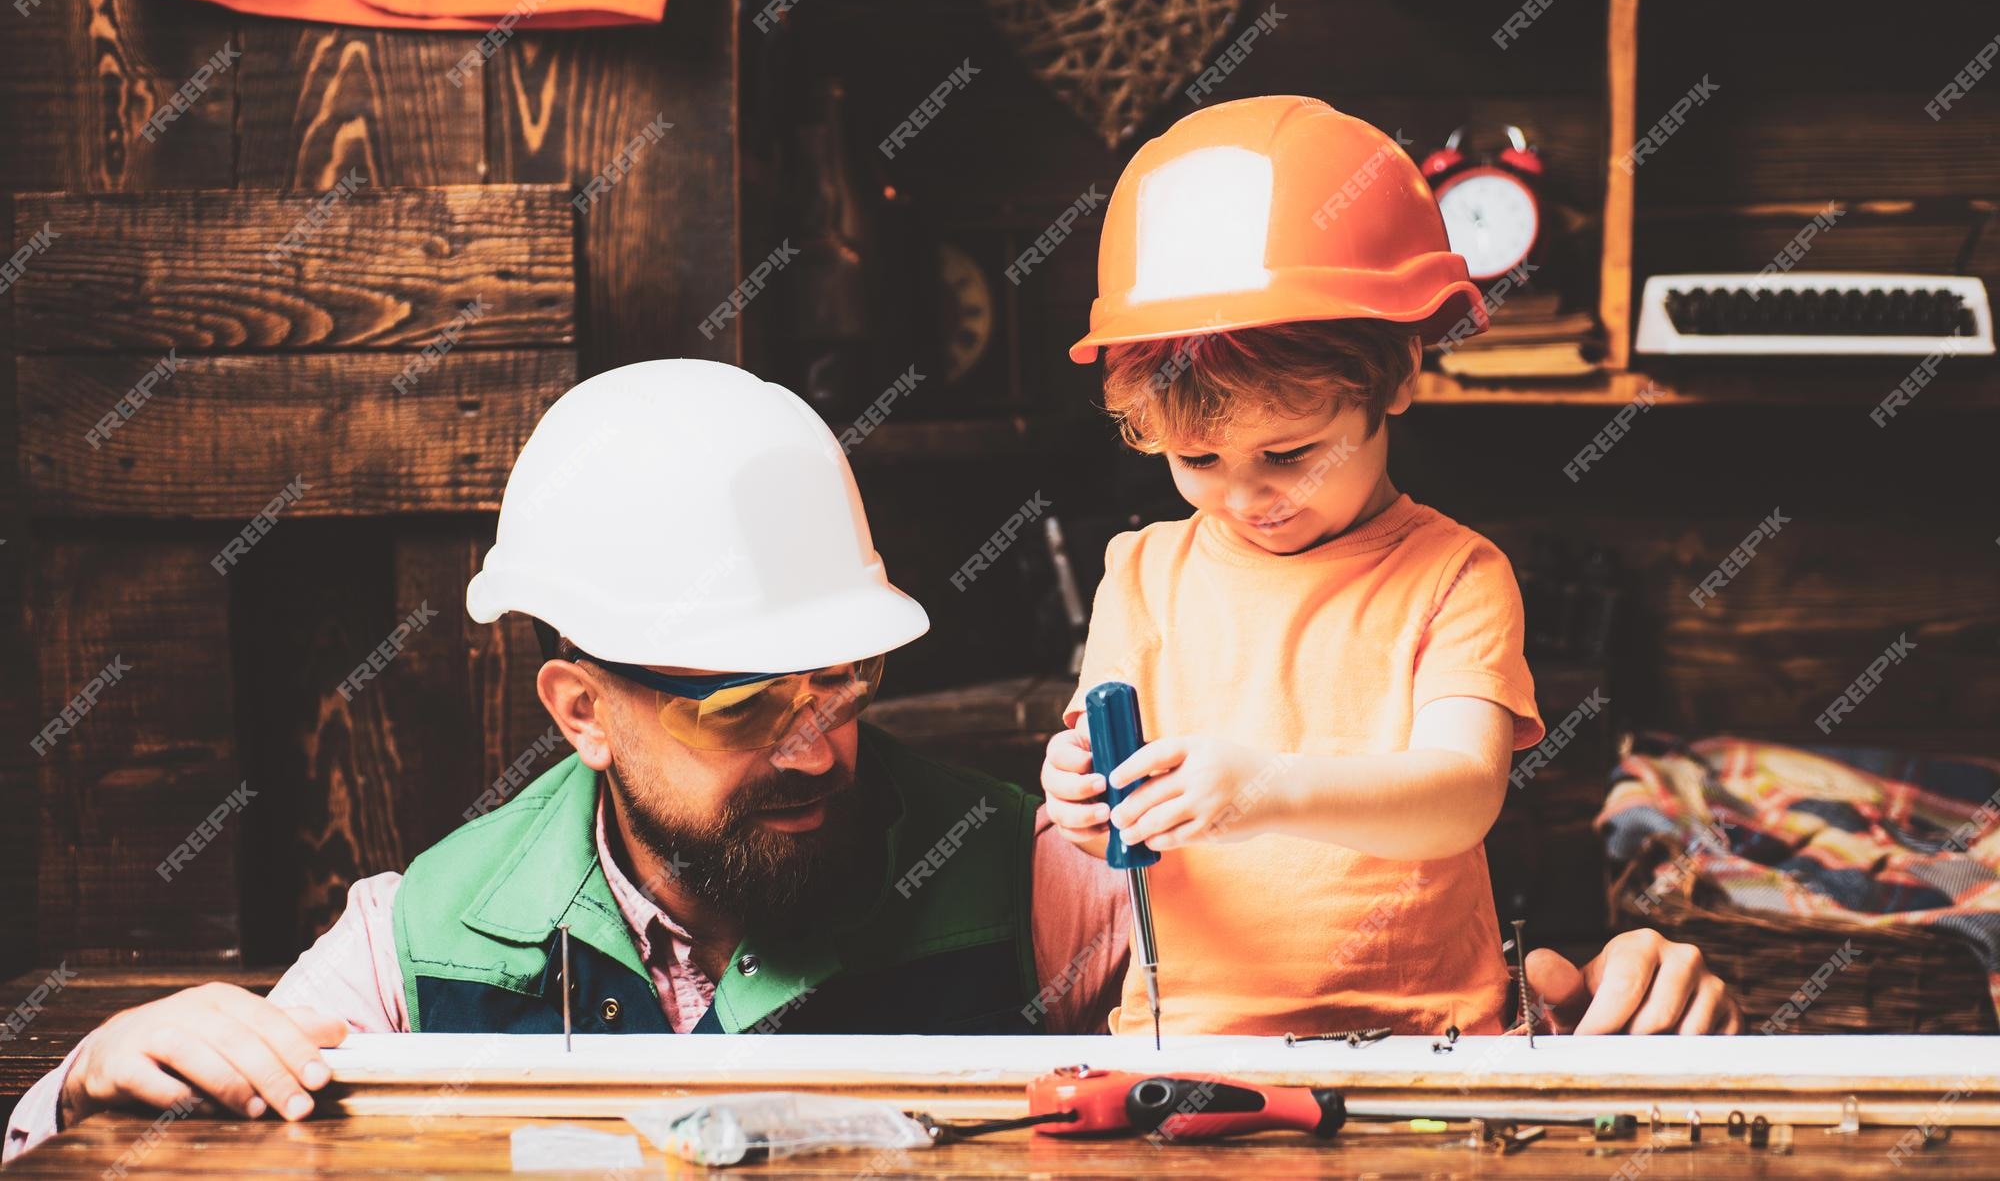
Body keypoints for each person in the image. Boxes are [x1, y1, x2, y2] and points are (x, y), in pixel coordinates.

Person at [6, 360, 1737, 1164]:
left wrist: (1586, 992)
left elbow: (1338, 1013)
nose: (820, 737)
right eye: (742, 705)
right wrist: (100, 1056)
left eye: (840, 680)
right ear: (580, 709)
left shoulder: (1034, 885)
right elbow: (91, 1122)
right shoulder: (418, 942)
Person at [1040, 95, 1742, 1041]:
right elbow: (1114, 827)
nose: (1247, 497)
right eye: (1197, 461)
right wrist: (1082, 799)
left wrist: (1269, 788)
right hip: (1186, 1035)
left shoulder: (1453, 575)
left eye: (1290, 454)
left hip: (1427, 1044)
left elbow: (1458, 797)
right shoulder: (1139, 573)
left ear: (1399, 377)